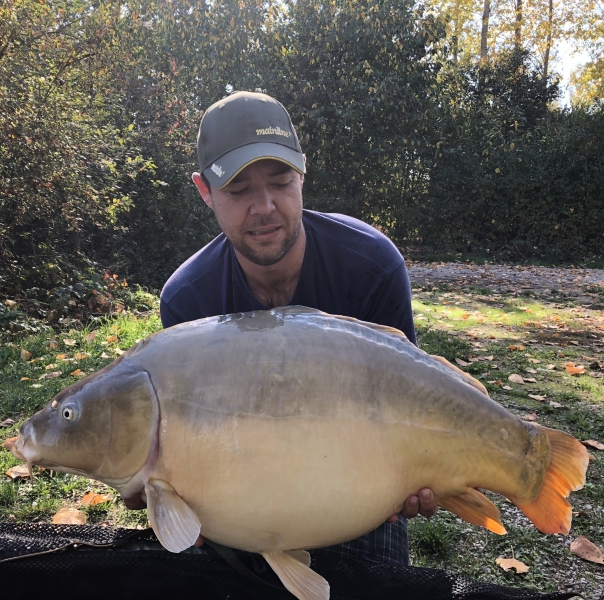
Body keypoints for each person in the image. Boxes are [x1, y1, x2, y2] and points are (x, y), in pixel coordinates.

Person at [151, 90, 436, 567]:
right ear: (205, 191)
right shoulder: (188, 301)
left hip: (359, 489)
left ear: (301, 173)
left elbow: (409, 398)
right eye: (239, 191)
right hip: (244, 497)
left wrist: (415, 475)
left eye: (280, 181)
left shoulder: (373, 265)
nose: (263, 206)